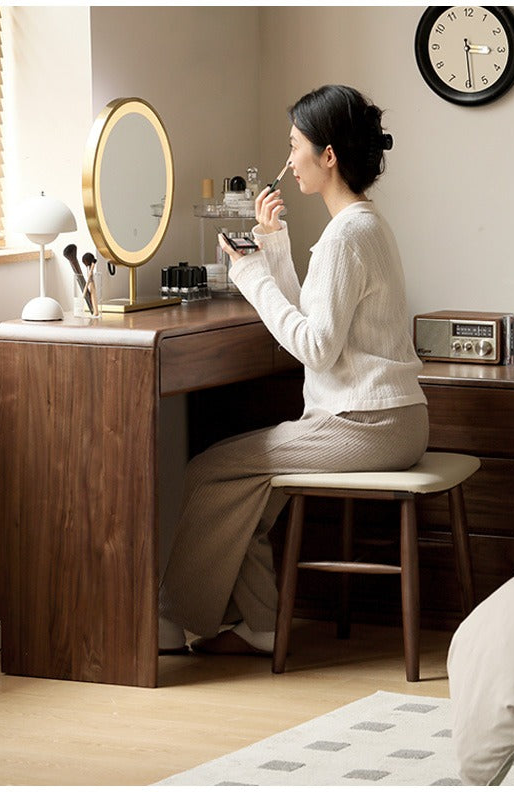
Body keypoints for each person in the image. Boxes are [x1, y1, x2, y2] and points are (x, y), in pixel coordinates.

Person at [158, 84, 428, 655]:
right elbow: (317, 317)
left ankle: (176, 619)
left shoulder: (344, 238)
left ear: (327, 156)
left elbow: (314, 347)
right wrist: (273, 247)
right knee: (244, 488)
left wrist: (252, 275)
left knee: (209, 470)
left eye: (294, 146)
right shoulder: (363, 225)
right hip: (385, 420)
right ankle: (258, 623)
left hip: (363, 426)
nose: (287, 161)